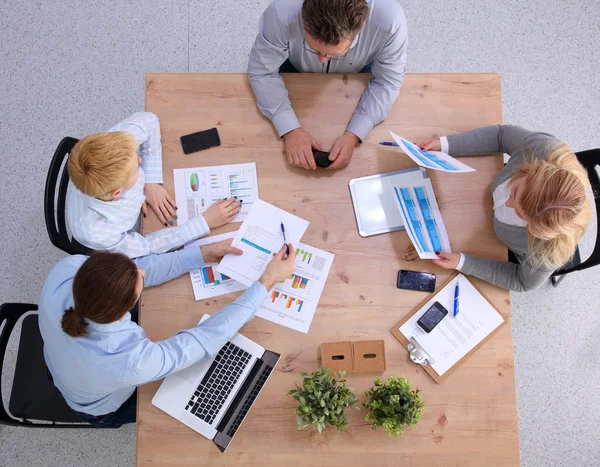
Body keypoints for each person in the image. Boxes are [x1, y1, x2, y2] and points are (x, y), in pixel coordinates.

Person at [38, 239, 296, 427]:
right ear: (122, 312)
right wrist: (267, 282)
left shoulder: (66, 270)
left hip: (63, 363)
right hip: (97, 407)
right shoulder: (133, 361)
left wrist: (200, 254)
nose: (142, 270)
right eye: (138, 280)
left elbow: (134, 271)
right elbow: (202, 340)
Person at [416, 125, 592, 291]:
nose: (507, 203)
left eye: (519, 214)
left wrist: (464, 263)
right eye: (515, 191)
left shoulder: (549, 252)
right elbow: (500, 135)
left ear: (537, 230)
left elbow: (522, 282)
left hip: (484, 239)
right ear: (534, 169)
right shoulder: (542, 149)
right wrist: (447, 144)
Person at [247, 0, 408, 171]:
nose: (322, 59)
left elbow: (387, 81)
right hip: (293, 63)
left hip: (358, 70)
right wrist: (289, 129)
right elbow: (262, 72)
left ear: (362, 26)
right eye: (314, 50)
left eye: (332, 54)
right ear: (304, 19)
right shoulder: (281, 12)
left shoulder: (391, 21)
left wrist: (354, 134)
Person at [66, 112, 241, 258]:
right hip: (120, 239)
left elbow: (150, 120)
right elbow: (146, 247)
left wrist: (149, 181)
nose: (140, 160)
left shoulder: (115, 143)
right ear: (117, 193)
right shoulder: (96, 232)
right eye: (137, 168)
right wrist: (203, 223)